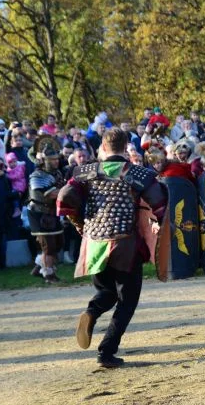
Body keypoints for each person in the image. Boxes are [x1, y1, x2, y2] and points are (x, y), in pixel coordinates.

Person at [57, 128, 167, 368]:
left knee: (106, 292)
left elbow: (65, 197)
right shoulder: (138, 173)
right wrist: (158, 223)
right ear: (126, 146)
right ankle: (106, 352)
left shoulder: (84, 172)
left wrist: (78, 224)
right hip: (125, 244)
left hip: (95, 243)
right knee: (127, 300)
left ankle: (92, 312)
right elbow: (159, 202)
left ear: (103, 148)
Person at [26, 136, 67, 283]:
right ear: (44, 161)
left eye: (57, 159)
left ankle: (38, 267)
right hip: (39, 214)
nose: (56, 162)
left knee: (59, 243)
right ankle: (49, 274)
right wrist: (67, 191)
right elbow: (50, 194)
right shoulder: (37, 175)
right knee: (48, 246)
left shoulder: (57, 173)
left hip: (52, 213)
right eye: (52, 160)